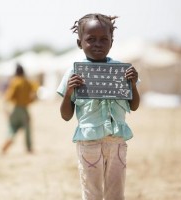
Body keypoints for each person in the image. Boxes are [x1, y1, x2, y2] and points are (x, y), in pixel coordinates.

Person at [57, 13, 140, 200]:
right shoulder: (73, 72)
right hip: (89, 143)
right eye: (91, 39)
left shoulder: (122, 70)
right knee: (92, 193)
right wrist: (69, 92)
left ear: (112, 41)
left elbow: (134, 106)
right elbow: (65, 115)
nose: (98, 44)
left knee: (116, 193)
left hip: (117, 142)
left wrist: (132, 84)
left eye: (104, 39)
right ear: (80, 43)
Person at [1, 63, 37, 154]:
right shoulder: (27, 82)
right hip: (24, 109)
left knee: (12, 127)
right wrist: (30, 100)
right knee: (27, 128)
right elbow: (35, 92)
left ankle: (10, 137)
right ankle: (29, 148)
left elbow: (8, 97)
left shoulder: (14, 82)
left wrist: (6, 109)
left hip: (15, 108)